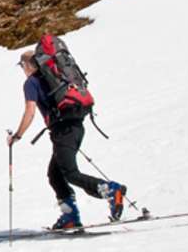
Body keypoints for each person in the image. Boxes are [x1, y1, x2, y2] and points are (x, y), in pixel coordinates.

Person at [7, 49, 128, 229]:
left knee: (70, 173)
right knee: (55, 175)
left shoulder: (31, 83)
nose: (22, 70)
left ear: (27, 65)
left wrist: (17, 136)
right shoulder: (57, 77)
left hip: (63, 131)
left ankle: (111, 190)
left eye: (22, 66)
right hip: (76, 126)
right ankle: (70, 216)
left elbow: (30, 111)